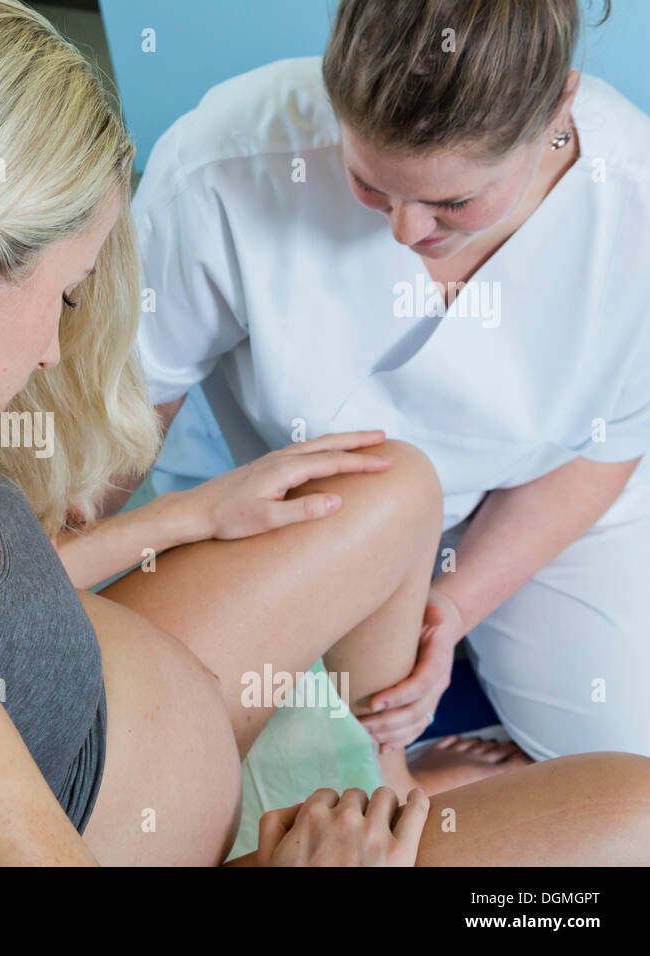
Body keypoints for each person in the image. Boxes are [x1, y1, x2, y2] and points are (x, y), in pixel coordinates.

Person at [0, 0, 650, 866]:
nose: (49, 352)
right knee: (630, 821)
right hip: (172, 827)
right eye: (67, 296)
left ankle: (380, 769)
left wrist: (188, 515)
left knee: (389, 485)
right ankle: (369, 810)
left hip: (115, 687)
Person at [109, 0, 650, 772]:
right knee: (172, 752)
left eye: (453, 202)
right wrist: (50, 583)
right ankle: (418, 788)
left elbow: (603, 451)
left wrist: (450, 610)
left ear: (559, 109)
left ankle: (437, 784)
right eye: (369, 185)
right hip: (296, 511)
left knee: (624, 768)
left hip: (536, 495)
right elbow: (126, 407)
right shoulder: (226, 162)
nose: (403, 231)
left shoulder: (632, 208)